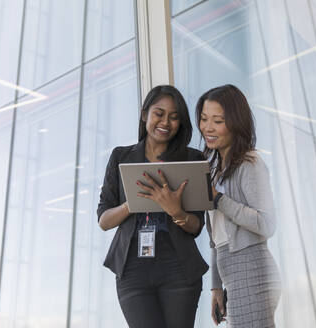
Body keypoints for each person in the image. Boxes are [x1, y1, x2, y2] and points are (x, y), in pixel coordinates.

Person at [97, 85, 208, 328]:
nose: (165, 122)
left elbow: (196, 226)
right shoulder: (120, 157)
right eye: (159, 113)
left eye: (174, 116)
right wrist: (131, 205)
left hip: (177, 264)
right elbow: (104, 220)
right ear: (144, 113)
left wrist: (176, 211)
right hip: (132, 268)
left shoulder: (193, 159)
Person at [196, 84, 281, 327]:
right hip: (231, 272)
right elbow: (217, 241)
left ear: (235, 122)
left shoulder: (250, 164)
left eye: (218, 121)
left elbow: (267, 224)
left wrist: (219, 200)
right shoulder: (214, 171)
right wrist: (216, 287)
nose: (208, 128)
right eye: (204, 119)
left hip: (252, 270)